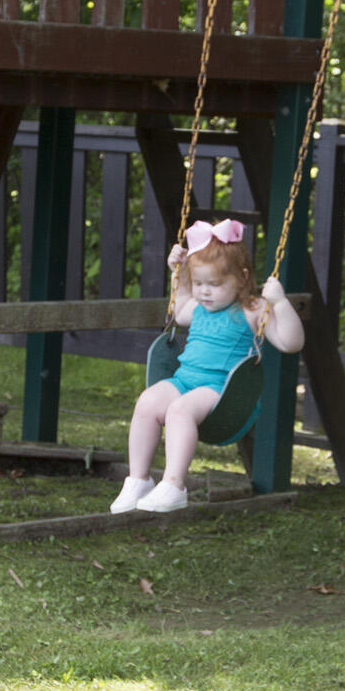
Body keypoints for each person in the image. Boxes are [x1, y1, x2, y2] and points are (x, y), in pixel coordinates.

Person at [114, 220, 305, 513]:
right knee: (147, 402)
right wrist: (177, 274)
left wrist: (279, 304)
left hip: (220, 391)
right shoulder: (198, 307)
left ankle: (174, 485)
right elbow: (178, 311)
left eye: (214, 284)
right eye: (198, 283)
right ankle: (138, 480)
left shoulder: (252, 309)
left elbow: (290, 343)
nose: (204, 292)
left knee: (179, 410)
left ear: (242, 278)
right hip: (184, 380)